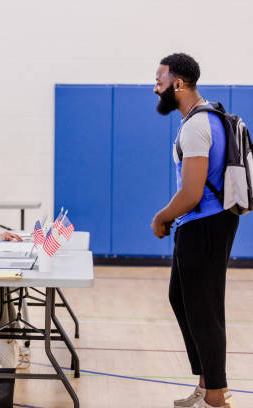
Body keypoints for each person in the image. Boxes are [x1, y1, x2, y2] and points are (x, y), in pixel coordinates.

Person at [151, 53, 237, 408]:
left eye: (160, 81)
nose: (156, 88)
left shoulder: (198, 125)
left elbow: (191, 193)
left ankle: (215, 395)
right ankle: (206, 384)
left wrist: (161, 217)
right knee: (184, 300)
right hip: (201, 225)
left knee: (203, 308)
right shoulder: (202, 118)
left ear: (179, 83)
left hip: (205, 225)